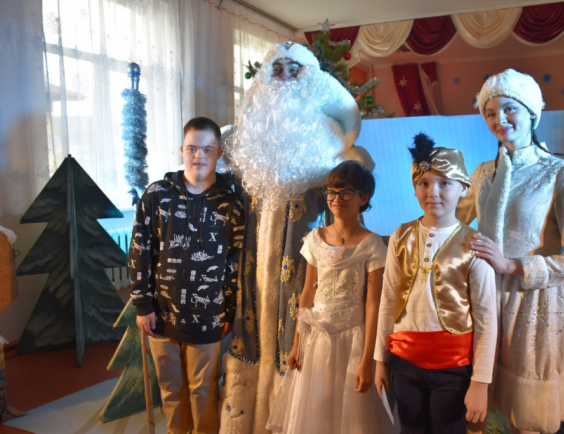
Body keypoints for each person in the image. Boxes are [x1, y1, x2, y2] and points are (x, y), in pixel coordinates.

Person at [220, 42, 373, 433]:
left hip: (308, 272)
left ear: (310, 78)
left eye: (295, 69)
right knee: (253, 329)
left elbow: (347, 213)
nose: (285, 77)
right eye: (278, 69)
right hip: (255, 268)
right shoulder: (250, 140)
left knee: (296, 343)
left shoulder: (329, 145)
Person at [457, 68, 564, 434]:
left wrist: (515, 265)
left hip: (535, 308)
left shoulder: (560, 172)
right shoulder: (482, 173)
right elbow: (455, 224)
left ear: (532, 112)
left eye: (509, 109)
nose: (499, 119)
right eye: (490, 112)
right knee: (486, 412)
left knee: (529, 416)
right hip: (483, 300)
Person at [374, 133, 498, 434]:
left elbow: (486, 318)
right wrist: (380, 359)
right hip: (404, 363)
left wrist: (480, 382)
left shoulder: (475, 245)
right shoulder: (400, 237)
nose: (434, 192)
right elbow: (388, 299)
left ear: (463, 187)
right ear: (415, 187)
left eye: (444, 183)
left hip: (452, 367)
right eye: (424, 183)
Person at [130, 116, 245, 433]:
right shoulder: (157, 195)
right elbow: (139, 251)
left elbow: (234, 262)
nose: (199, 156)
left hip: (207, 315)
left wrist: (229, 309)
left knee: (203, 390)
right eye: (192, 148)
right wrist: (142, 304)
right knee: (170, 390)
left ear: (219, 152)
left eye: (207, 149)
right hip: (161, 313)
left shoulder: (232, 202)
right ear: (182, 149)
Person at [266, 160, 394, 434]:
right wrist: (296, 344)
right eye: (332, 193)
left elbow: (373, 304)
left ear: (363, 197)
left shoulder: (372, 243)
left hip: (353, 340)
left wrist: (368, 359)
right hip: (316, 340)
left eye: (345, 193)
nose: (337, 200)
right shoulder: (316, 238)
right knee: (316, 411)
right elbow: (307, 293)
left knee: (352, 417)